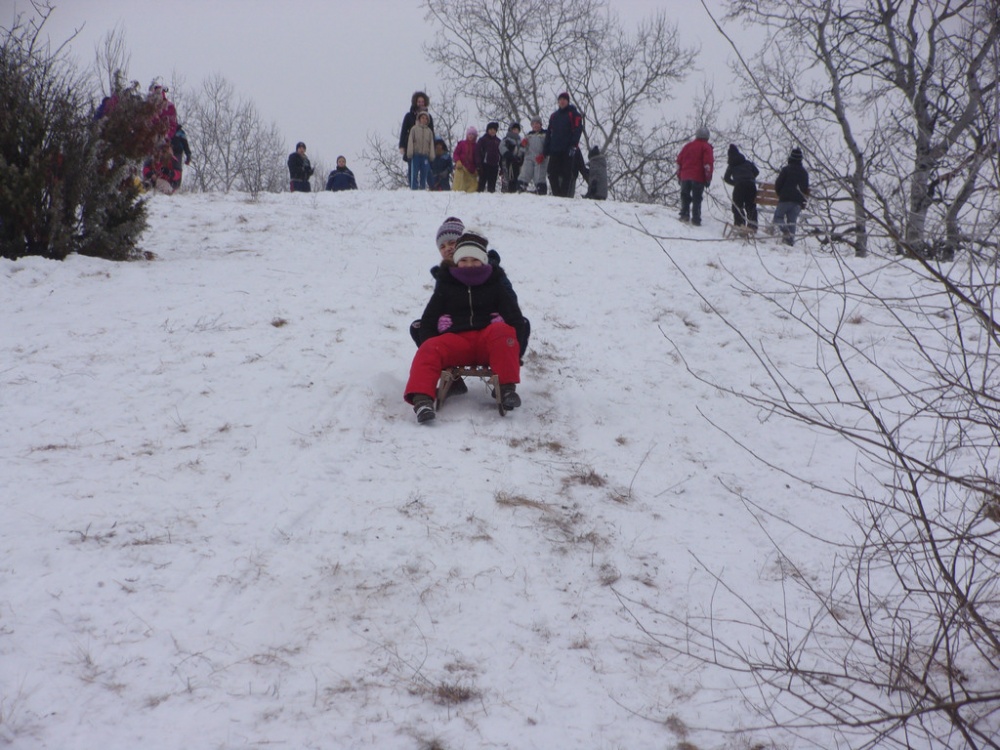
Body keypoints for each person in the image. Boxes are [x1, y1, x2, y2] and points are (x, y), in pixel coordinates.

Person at [405, 228, 525, 423]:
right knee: (430, 346)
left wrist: (514, 352)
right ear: (457, 261)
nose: (469, 265)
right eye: (464, 260)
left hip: (488, 341)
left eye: (474, 259)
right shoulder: (447, 284)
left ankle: (506, 389)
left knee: (503, 331)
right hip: (457, 341)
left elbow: (516, 319)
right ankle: (422, 400)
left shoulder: (495, 283)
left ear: (483, 260)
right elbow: (428, 321)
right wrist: (435, 344)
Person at [410, 217, 531, 364]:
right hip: (454, 330)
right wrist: (444, 320)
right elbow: (437, 307)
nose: (447, 248)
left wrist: (498, 317)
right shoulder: (445, 274)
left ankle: (508, 361)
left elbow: (509, 302)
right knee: (418, 327)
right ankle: (442, 364)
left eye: (452, 243)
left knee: (522, 323)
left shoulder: (489, 271)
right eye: (442, 246)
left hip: (487, 327)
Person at [543, 92, 584, 198]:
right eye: (560, 99)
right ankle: (557, 194)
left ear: (568, 101)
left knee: (567, 173)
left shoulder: (573, 114)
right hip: (555, 149)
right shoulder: (554, 116)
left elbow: (578, 129)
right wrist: (546, 148)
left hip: (567, 149)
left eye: (564, 99)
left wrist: (573, 145)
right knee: (551, 173)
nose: (562, 101)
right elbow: (549, 132)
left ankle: (564, 195)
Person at [676, 126, 714, 226]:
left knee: (685, 196)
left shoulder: (687, 146)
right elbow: (708, 164)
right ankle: (696, 218)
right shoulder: (706, 147)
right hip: (698, 177)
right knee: (697, 198)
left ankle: (684, 214)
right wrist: (708, 178)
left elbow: (679, 162)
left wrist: (679, 176)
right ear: (707, 137)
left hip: (685, 176)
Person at [773, 147, 810, 246]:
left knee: (778, 217)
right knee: (792, 222)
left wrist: (780, 194)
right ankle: (790, 241)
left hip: (785, 199)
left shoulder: (786, 170)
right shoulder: (804, 173)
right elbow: (805, 189)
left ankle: (785, 230)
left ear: (791, 158)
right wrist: (802, 202)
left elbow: (778, 184)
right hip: (797, 201)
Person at [723, 144, 760, 233]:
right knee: (751, 206)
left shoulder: (731, 165)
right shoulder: (746, 162)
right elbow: (756, 171)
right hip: (751, 185)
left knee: (737, 206)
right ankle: (753, 226)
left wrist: (735, 183)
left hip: (739, 186)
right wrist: (750, 178)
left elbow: (726, 178)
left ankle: (740, 224)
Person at [398, 91, 434, 162]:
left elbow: (432, 133)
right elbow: (403, 131)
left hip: (425, 149)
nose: (421, 103)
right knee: (412, 168)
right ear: (415, 102)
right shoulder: (409, 116)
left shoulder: (428, 117)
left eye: (422, 102)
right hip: (411, 148)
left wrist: (433, 148)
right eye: (419, 102)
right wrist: (402, 146)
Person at [519, 116, 548, 194]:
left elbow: (548, 146)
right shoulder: (529, 135)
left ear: (540, 124)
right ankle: (521, 186)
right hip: (529, 157)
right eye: (533, 124)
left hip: (540, 158)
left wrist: (544, 155)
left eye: (537, 123)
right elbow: (522, 149)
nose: (535, 125)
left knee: (539, 175)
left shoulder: (545, 134)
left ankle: (540, 189)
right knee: (525, 172)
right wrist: (523, 145)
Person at [406, 110, 435, 190]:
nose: (424, 120)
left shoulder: (429, 131)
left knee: (424, 173)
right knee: (414, 173)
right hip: (416, 155)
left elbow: (431, 144)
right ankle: (414, 188)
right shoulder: (414, 129)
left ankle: (422, 188)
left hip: (425, 156)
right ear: (419, 119)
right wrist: (410, 153)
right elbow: (410, 141)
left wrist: (431, 155)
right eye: (422, 118)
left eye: (426, 118)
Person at [148, 80, 178, 145]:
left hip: (163, 141)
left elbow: (172, 125)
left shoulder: (169, 107)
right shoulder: (148, 107)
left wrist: (165, 136)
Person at [476, 122, 502, 193]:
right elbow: (477, 152)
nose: (492, 131)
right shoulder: (482, 140)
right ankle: (478, 196)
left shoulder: (498, 141)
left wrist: (501, 167)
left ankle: (491, 197)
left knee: (492, 186)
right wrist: (478, 164)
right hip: (484, 165)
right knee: (481, 184)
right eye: (491, 129)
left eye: (494, 129)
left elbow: (501, 155)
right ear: (487, 130)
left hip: (494, 165)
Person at [453, 127, 479, 193]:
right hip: (462, 167)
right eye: (469, 134)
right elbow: (456, 153)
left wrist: (477, 169)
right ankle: (456, 192)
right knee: (458, 175)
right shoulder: (462, 144)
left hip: (472, 171)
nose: (471, 136)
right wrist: (458, 161)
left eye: (473, 134)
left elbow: (478, 159)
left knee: (473, 186)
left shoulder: (477, 146)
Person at [500, 122, 524, 193]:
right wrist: (508, 154)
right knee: (508, 177)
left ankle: (516, 190)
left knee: (517, 176)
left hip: (517, 162)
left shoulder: (520, 141)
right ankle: (506, 190)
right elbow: (501, 147)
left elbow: (523, 150)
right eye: (514, 129)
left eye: (517, 130)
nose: (515, 131)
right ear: (510, 130)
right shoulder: (506, 139)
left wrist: (521, 157)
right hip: (508, 161)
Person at [170, 124, 192, 189]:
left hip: (177, 153)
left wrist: (188, 155)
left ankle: (176, 186)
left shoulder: (180, 132)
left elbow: (185, 144)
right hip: (166, 152)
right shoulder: (166, 130)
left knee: (177, 169)